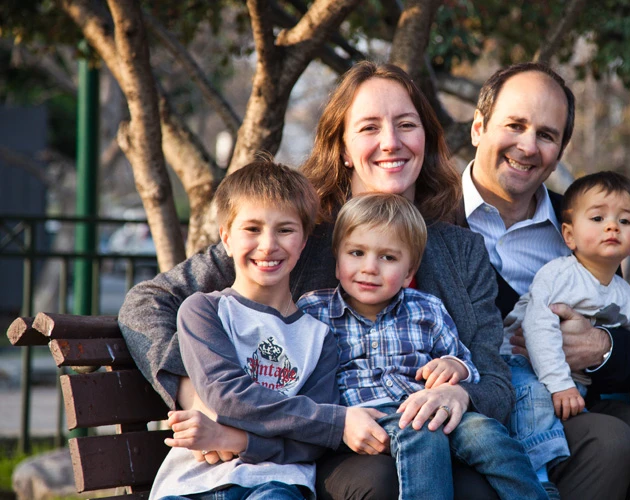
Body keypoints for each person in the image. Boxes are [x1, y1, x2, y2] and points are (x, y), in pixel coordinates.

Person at [119, 62, 512, 499]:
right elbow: (148, 301)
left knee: (478, 491)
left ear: (426, 139)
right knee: (380, 482)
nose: (391, 142)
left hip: (438, 436)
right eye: (369, 128)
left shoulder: (460, 250)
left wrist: (463, 395)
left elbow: (495, 378)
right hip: (329, 443)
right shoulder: (297, 234)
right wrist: (194, 390)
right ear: (343, 148)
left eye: (406, 125)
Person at [457, 61, 630, 499]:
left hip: (574, 395)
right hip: (479, 400)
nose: (527, 146)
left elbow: (627, 327)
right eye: (515, 125)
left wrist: (600, 346)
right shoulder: (430, 217)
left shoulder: (586, 219)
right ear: (479, 127)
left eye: (546, 135)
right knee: (607, 442)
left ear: (560, 150)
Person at [298, 193, 547, 499]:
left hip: (428, 406)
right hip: (365, 416)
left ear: (409, 274)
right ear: (338, 263)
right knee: (420, 434)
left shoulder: (426, 309)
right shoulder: (314, 311)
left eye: (388, 258)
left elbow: (466, 363)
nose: (370, 267)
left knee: (487, 434)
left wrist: (454, 366)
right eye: (357, 253)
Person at [150, 161, 339, 500]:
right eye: (252, 228)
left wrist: (236, 440)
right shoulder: (203, 311)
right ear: (226, 238)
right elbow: (227, 396)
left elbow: (312, 443)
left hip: (276, 484)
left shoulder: (319, 337)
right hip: (193, 482)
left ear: (304, 241)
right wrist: (329, 421)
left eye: (285, 230)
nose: (268, 245)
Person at [501, 172, 630, 487]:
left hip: (567, 383)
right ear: (569, 235)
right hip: (518, 365)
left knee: (578, 423)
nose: (612, 226)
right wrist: (560, 384)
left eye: (625, 221)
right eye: (598, 218)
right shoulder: (558, 275)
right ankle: (533, 481)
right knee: (536, 403)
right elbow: (537, 324)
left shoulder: (623, 294)